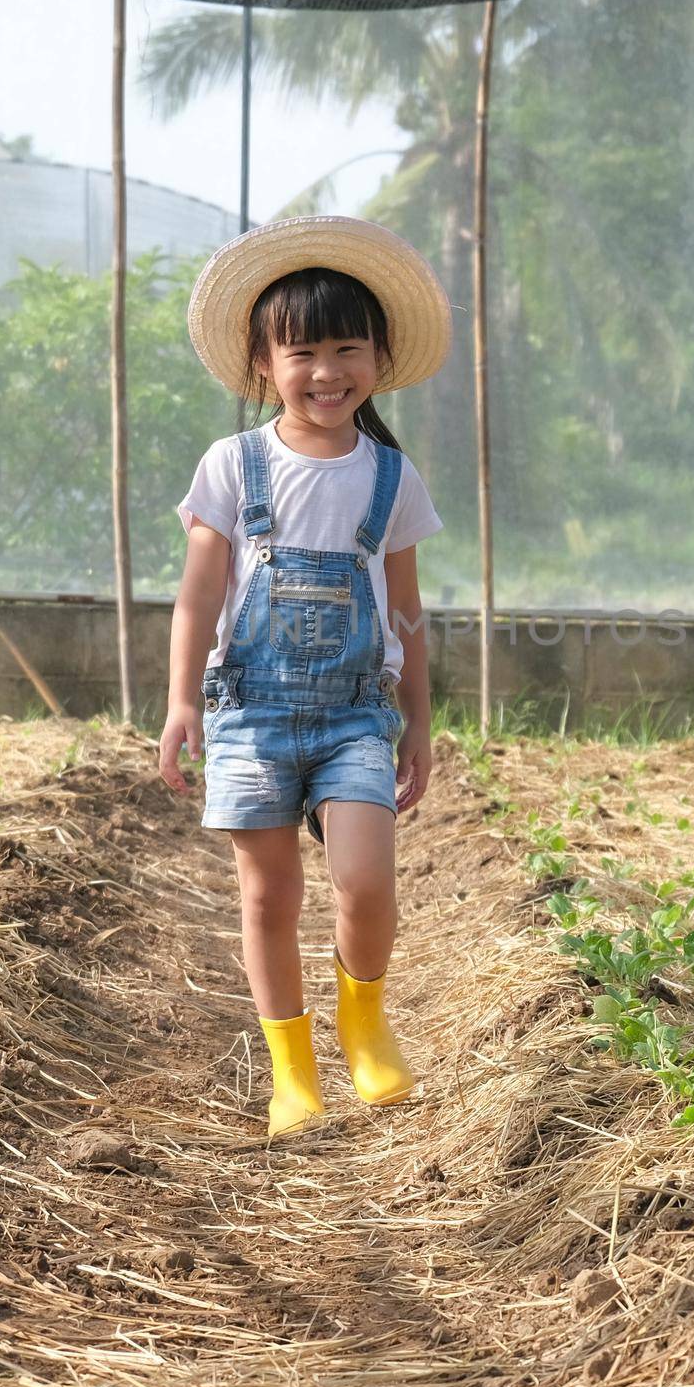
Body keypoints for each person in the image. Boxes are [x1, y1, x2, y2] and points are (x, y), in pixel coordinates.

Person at [158, 215, 451, 1141]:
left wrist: (421, 725)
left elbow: (404, 613)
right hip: (249, 715)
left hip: (355, 718)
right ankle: (292, 1068)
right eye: (304, 352)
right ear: (262, 363)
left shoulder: (389, 477)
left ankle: (363, 1021)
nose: (328, 372)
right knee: (268, 895)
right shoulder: (232, 466)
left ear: (379, 356)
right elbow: (198, 597)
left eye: (347, 349)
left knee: (364, 880)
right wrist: (178, 704)